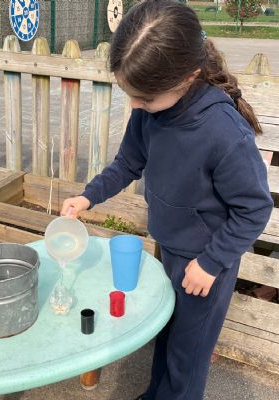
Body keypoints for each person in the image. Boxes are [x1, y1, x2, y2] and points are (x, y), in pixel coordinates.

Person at [60, 1, 273, 399]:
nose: (135, 106)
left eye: (144, 98)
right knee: (166, 332)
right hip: (171, 248)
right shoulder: (152, 109)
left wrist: (210, 264)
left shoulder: (224, 132)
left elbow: (254, 209)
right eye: (132, 96)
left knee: (187, 355)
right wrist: (88, 197)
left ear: (187, 77)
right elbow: (128, 162)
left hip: (206, 263)